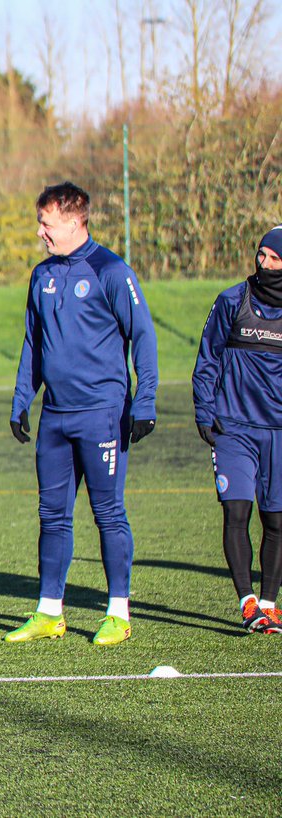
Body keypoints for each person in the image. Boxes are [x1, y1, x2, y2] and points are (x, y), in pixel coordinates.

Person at [6, 182, 158, 646]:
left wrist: (145, 400)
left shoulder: (111, 271)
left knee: (108, 513)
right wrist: (20, 400)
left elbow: (144, 336)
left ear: (74, 221)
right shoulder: (41, 275)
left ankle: (118, 612)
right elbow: (34, 341)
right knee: (52, 515)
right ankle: (49, 612)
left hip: (102, 414)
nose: (40, 232)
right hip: (55, 415)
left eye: (46, 223)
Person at [192, 226, 282, 634]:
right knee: (237, 510)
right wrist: (204, 410)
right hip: (234, 428)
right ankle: (248, 603)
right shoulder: (232, 300)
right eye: (260, 255)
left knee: (277, 521)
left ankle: (269, 604)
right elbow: (208, 356)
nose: (263, 263)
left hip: (279, 432)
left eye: (274, 258)